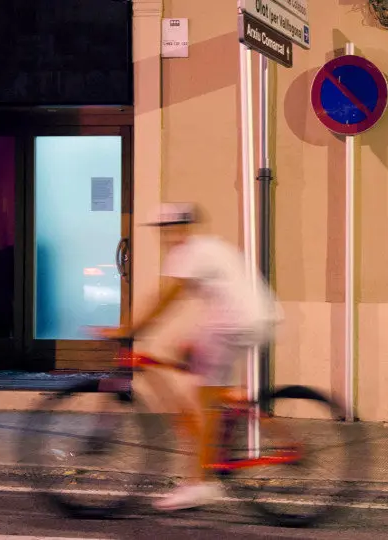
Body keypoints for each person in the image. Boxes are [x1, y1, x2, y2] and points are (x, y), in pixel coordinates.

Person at [97, 202, 281, 511]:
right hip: (244, 318)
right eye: (164, 230)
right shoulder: (203, 249)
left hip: (236, 321)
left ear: (181, 228)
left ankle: (202, 484)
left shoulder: (189, 253)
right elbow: (171, 296)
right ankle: (230, 408)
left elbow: (165, 298)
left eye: (170, 229)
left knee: (200, 399)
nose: (168, 235)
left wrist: (127, 330)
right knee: (186, 361)